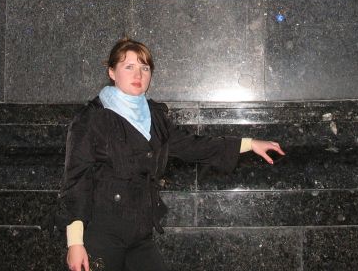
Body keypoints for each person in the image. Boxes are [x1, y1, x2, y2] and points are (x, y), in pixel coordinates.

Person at [62, 38, 285, 271]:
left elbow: (192, 146)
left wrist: (249, 143)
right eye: (129, 67)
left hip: (140, 230)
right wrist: (75, 242)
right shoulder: (92, 118)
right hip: (101, 231)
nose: (138, 74)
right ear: (112, 72)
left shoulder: (154, 117)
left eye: (145, 68)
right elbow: (76, 180)